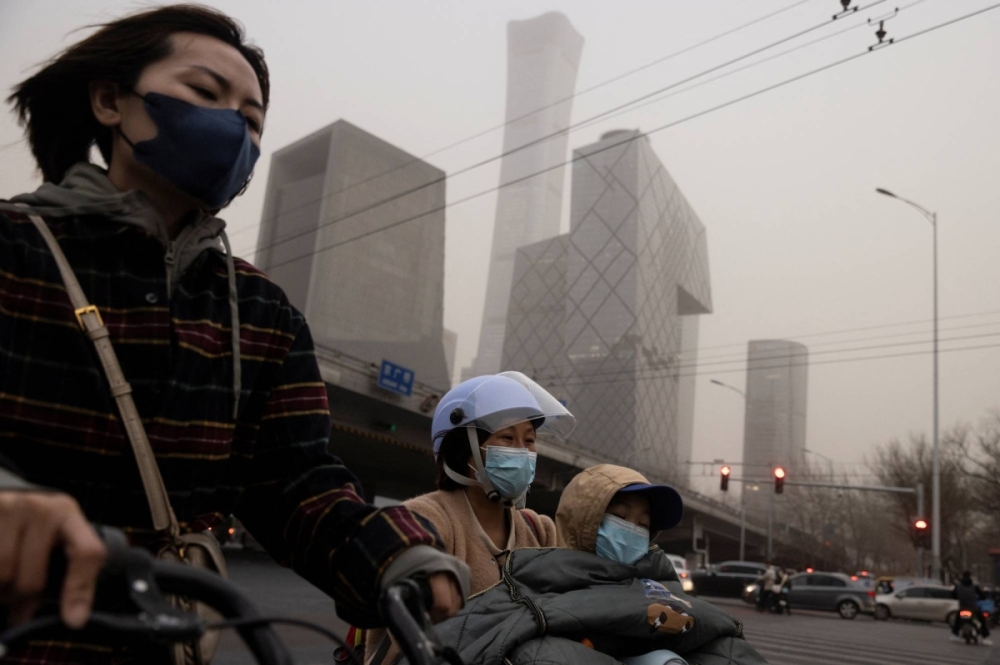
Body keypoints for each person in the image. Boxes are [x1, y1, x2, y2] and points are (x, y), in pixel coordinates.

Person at [0, 5, 468, 662]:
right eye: (205, 93)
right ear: (111, 101)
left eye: (251, 120)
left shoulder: (262, 311)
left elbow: (293, 479)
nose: (233, 127)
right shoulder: (15, 249)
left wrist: (394, 552)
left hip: (168, 641)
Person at [363, 372, 575, 664]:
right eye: (507, 438)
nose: (523, 452)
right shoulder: (424, 518)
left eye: (529, 440)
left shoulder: (540, 530)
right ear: (465, 448)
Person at [952, 571, 993, 644]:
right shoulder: (974, 586)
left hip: (963, 607)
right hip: (973, 608)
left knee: (957, 621)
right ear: (970, 576)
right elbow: (982, 596)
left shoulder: (958, 585)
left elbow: (953, 595)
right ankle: (985, 637)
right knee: (981, 620)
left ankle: (955, 634)